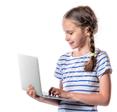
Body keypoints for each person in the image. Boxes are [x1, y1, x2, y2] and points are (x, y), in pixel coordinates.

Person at [27, 5, 112, 112]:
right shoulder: (64, 60)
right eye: (65, 32)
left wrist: (69, 94)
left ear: (87, 31)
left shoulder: (100, 57)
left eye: (70, 33)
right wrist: (40, 98)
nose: (66, 38)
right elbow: (62, 100)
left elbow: (104, 99)